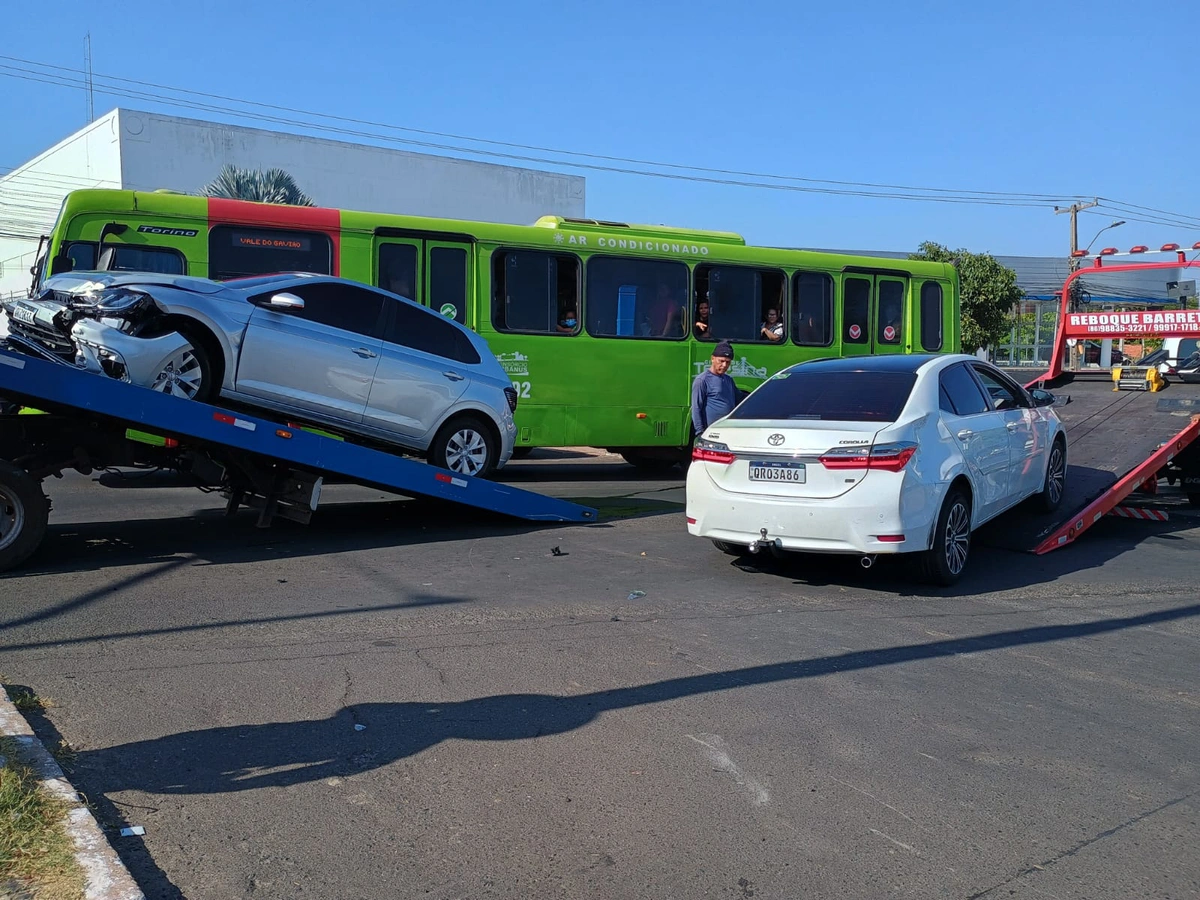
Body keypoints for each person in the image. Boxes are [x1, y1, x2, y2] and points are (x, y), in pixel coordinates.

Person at [691, 340, 738, 436]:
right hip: (711, 432)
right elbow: (696, 408)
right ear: (712, 359)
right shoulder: (702, 380)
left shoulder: (729, 380)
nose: (724, 365)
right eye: (721, 361)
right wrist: (700, 432)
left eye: (728, 362)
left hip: (728, 430)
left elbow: (740, 398)